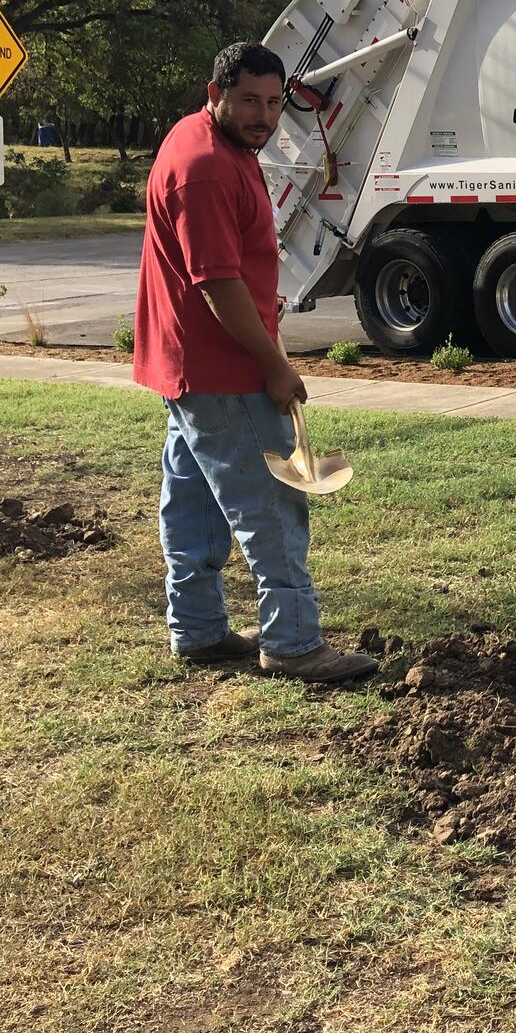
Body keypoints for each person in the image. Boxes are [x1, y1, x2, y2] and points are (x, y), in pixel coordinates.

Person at [133, 41, 378, 682]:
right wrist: (275, 364)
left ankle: (200, 632)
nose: (263, 116)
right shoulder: (206, 167)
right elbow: (217, 283)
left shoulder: (207, 141)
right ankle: (295, 644)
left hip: (187, 366)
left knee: (192, 506)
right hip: (224, 371)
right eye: (248, 101)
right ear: (215, 94)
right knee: (273, 507)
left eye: (273, 103)